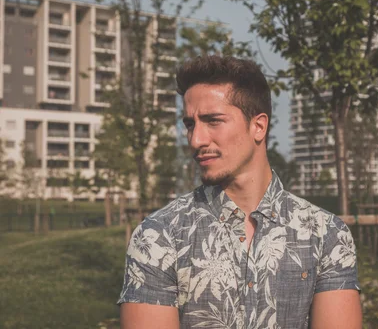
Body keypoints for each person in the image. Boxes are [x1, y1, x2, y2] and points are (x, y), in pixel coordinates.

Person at [117, 55, 362, 328]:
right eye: (190, 124)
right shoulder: (158, 237)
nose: (196, 139)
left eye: (213, 121)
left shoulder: (325, 234)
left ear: (258, 126)